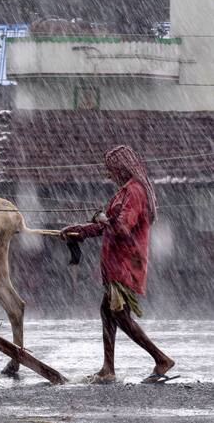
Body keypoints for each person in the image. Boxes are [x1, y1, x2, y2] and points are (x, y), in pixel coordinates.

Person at [61, 145, 175, 384]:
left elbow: (121, 227)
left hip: (126, 264)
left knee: (119, 315)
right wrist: (77, 231)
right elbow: (106, 226)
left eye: (111, 170)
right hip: (116, 264)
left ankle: (161, 358)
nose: (109, 174)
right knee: (108, 311)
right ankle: (108, 367)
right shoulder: (124, 191)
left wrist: (102, 218)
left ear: (122, 168)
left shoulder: (134, 191)